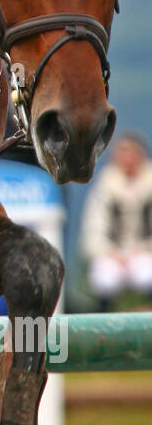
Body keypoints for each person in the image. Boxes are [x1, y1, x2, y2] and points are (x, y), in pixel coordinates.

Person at [79, 132, 152, 308]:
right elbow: (93, 229)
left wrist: (140, 249)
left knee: (146, 275)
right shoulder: (106, 183)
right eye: (123, 152)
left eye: (131, 152)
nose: (127, 158)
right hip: (113, 254)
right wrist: (111, 252)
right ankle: (104, 323)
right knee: (105, 278)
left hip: (144, 252)